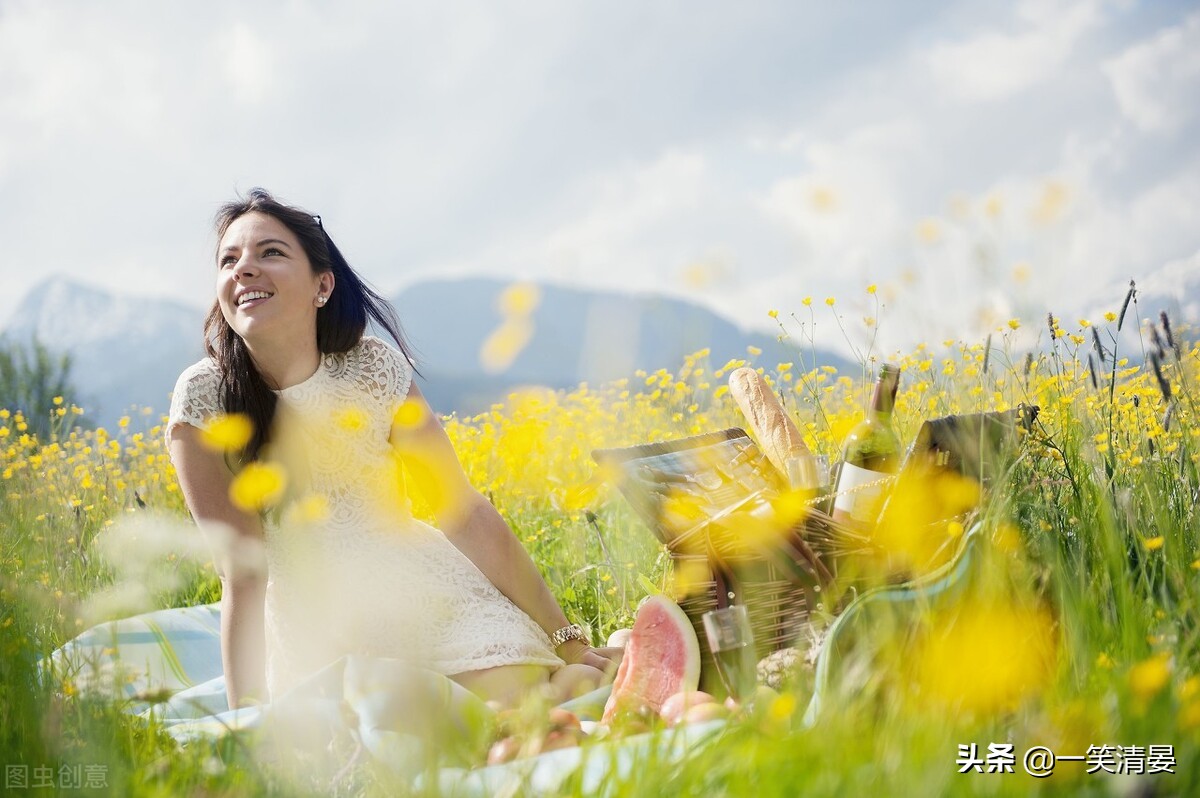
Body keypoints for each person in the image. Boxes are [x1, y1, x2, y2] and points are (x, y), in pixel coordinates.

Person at [165, 188, 621, 711]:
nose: (244, 269)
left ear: (322, 285)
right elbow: (242, 572)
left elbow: (461, 509)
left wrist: (567, 639)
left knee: (518, 691)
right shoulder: (204, 399)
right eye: (229, 259)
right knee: (412, 720)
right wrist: (249, 721)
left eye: (270, 252)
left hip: (429, 591)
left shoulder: (371, 368)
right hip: (319, 626)